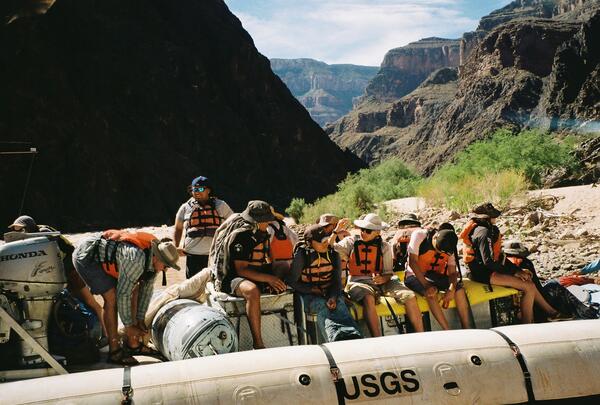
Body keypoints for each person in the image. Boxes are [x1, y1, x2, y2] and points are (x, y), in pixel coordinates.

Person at [72, 230, 180, 365]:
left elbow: (146, 291)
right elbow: (123, 294)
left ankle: (133, 345)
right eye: (166, 266)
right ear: (157, 258)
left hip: (108, 258)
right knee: (111, 298)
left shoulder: (152, 262)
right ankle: (114, 351)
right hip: (87, 256)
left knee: (135, 290)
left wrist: (140, 319)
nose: (165, 270)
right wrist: (129, 326)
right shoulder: (136, 259)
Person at [8, 215, 107, 340]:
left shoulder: (43, 233)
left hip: (72, 269)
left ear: (29, 228)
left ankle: (107, 334)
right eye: (15, 231)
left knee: (90, 302)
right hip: (58, 271)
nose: (18, 233)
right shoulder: (30, 241)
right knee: (73, 303)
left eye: (21, 230)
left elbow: (54, 249)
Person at [461, 202, 559, 324]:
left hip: (488, 270)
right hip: (483, 274)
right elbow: (488, 262)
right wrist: (514, 272)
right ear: (486, 218)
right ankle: (528, 324)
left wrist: (518, 271)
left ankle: (551, 313)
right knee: (528, 288)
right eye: (493, 217)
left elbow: (499, 257)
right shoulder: (483, 233)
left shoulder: (484, 230)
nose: (495, 219)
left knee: (529, 282)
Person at [209, 200, 288, 349]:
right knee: (252, 291)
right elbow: (241, 270)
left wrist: (275, 274)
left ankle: (269, 287)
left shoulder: (263, 232)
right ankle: (258, 343)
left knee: (283, 265)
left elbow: (270, 257)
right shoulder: (242, 235)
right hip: (234, 277)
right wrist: (269, 278)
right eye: (266, 220)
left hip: (256, 269)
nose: (269, 223)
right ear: (257, 221)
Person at [334, 213, 424, 337]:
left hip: (384, 282)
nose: (363, 233)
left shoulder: (384, 246)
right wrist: (335, 232)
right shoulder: (350, 242)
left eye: (368, 231)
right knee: (368, 298)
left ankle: (421, 335)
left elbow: (388, 273)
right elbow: (329, 248)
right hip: (358, 282)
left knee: (409, 296)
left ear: (377, 232)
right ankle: (377, 338)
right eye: (362, 229)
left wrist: (383, 278)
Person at [287, 224, 362, 342]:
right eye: (321, 242)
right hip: (309, 295)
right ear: (310, 243)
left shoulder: (333, 253)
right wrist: (311, 290)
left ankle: (352, 335)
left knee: (339, 304)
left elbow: (336, 281)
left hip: (329, 292)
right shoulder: (302, 255)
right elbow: (291, 281)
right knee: (322, 305)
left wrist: (333, 296)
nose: (325, 244)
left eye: (326, 240)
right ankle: (335, 337)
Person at [404, 227, 471, 329]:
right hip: (414, 275)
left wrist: (451, 289)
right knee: (431, 293)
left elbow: (452, 272)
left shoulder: (450, 245)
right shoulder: (419, 235)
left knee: (459, 290)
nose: (439, 253)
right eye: (437, 250)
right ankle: (447, 330)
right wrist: (426, 285)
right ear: (435, 238)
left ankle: (467, 329)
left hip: (434, 276)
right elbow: (412, 262)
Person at [503, 240, 584, 321]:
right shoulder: (520, 264)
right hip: (530, 305)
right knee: (554, 285)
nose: (518, 259)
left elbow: (536, 286)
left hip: (529, 304)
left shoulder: (516, 264)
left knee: (554, 285)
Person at [174, 176, 233, 279]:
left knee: (215, 286)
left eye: (200, 189)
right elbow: (178, 228)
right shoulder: (185, 207)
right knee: (192, 289)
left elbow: (233, 224)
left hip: (215, 254)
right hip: (193, 254)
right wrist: (176, 246)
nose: (196, 192)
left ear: (209, 190)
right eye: (194, 189)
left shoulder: (221, 206)